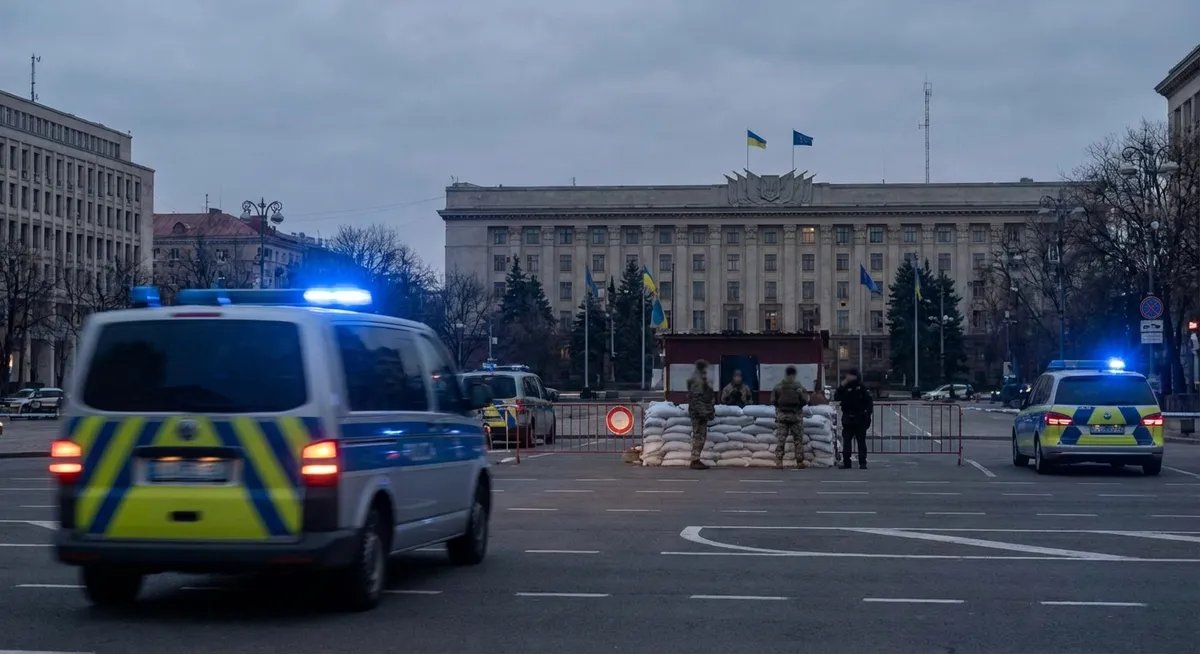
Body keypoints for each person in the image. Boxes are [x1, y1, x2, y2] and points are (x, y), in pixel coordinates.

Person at [770, 365, 809, 469]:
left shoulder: (778, 386)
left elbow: (773, 401)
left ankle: (779, 461)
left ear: (785, 374)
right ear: (795, 374)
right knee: (798, 440)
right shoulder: (799, 387)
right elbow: (805, 401)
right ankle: (799, 462)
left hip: (782, 417)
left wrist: (780, 410)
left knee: (781, 440)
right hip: (796, 417)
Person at [834, 368, 873, 469]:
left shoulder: (861, 387)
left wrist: (867, 415)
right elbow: (836, 396)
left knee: (861, 442)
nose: (848, 377)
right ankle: (847, 462)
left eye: (850, 375)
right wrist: (842, 384)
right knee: (846, 441)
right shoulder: (845, 387)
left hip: (859, 418)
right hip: (848, 418)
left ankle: (862, 462)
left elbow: (869, 403)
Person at [686, 359, 716, 470]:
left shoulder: (699, 380)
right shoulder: (697, 382)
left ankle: (696, 459)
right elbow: (697, 400)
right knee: (699, 436)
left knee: (700, 436)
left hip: (700, 413)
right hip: (698, 414)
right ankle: (695, 460)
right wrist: (705, 413)